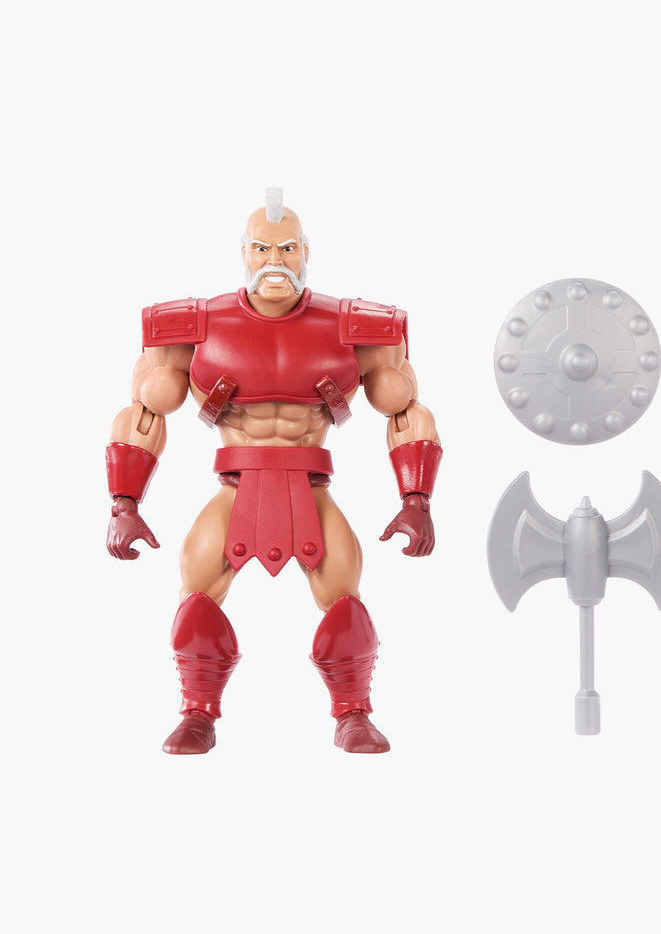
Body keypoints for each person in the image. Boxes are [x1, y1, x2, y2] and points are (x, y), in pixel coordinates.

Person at [106, 188, 442, 755]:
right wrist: (124, 503)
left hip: (311, 485)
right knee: (196, 593)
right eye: (262, 248)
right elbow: (143, 412)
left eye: (287, 248)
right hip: (236, 485)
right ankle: (197, 713)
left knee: (345, 599)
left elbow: (406, 411)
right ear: (243, 253)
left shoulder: (354, 326)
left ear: (306, 251)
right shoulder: (193, 325)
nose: (274, 260)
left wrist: (417, 499)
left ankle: (353, 713)